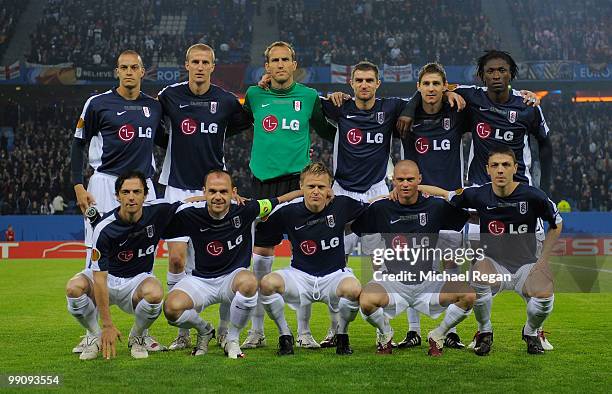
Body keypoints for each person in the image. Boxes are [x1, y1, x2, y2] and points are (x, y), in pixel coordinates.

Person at [419, 146, 562, 355]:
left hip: (525, 266)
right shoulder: (478, 194)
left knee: (545, 289)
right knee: (479, 269)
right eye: (495, 165)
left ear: (515, 168)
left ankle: (531, 332)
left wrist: (542, 261)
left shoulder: (533, 196)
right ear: (488, 169)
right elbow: (444, 194)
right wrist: (410, 187)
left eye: (505, 165)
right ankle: (485, 332)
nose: (500, 170)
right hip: (495, 266)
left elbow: (557, 223)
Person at [69, 50, 166, 354]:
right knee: (94, 255)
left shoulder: (154, 106)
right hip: (104, 184)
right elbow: (78, 143)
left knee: (143, 246)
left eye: (134, 67)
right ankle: (95, 333)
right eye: (123, 68)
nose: (128, 72)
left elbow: (166, 140)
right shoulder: (97, 103)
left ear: (142, 72)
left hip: (142, 186)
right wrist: (77, 185)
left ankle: (141, 332)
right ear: (117, 71)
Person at [157, 43, 252, 351]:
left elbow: (243, 123)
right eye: (195, 62)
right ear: (186, 65)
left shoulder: (226, 101)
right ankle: (185, 331)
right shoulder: (169, 95)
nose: (199, 67)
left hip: (213, 190)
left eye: (205, 62)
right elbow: (153, 126)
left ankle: (224, 328)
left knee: (224, 262)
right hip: (177, 186)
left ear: (213, 66)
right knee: (176, 259)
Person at [241, 41, 336, 349]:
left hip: (300, 184)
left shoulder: (309, 97)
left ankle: (305, 332)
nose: (280, 64)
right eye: (274, 60)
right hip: (264, 185)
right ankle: (257, 331)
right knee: (261, 262)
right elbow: (234, 123)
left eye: (285, 60)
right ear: (266, 67)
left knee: (306, 258)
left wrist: (348, 110)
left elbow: (329, 131)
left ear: (295, 64)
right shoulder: (255, 95)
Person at [162, 170, 302, 358]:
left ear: (233, 192)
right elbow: (160, 211)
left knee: (250, 281)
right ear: (204, 192)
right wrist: (192, 199)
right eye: (212, 191)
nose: (218, 196)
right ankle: (205, 330)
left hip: (231, 278)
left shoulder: (247, 209)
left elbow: (281, 199)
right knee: (171, 309)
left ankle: (232, 339)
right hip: (200, 281)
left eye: (223, 191)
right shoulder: (190, 212)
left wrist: (306, 192)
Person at [353, 160, 475, 356]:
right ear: (393, 181)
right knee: (366, 300)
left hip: (429, 283)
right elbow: (354, 225)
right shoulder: (381, 208)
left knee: (468, 295)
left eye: (410, 179)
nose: (405, 184)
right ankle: (385, 333)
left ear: (419, 179)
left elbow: (468, 216)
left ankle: (438, 334)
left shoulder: (436, 206)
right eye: (400, 179)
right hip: (393, 283)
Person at [64, 171, 181, 360]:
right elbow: (100, 278)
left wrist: (220, 198)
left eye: (137, 191)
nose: (131, 197)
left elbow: (190, 203)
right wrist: (107, 325)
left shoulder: (159, 211)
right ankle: (94, 336)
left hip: (136, 282)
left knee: (155, 292)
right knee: (73, 288)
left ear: (145, 194)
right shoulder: (104, 228)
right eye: (126, 192)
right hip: (107, 280)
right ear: (117, 196)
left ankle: (137, 336)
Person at [258, 162, 366, 356]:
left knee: (354, 289)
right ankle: (285, 335)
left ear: (329, 188)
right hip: (300, 276)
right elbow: (261, 227)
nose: (316, 191)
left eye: (321, 187)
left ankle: (342, 335)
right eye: (311, 186)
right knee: (267, 283)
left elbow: (372, 210)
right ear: (301, 187)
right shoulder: (288, 211)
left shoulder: (343, 204)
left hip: (334, 276)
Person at [398, 62, 469, 349]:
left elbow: (481, 96)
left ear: (445, 86)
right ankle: (413, 331)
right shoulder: (405, 117)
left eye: (436, 84)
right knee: (413, 265)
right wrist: (410, 105)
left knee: (451, 263)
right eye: (425, 84)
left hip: (450, 199)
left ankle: (450, 330)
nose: (431, 89)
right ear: (418, 87)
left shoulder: (457, 112)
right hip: (418, 201)